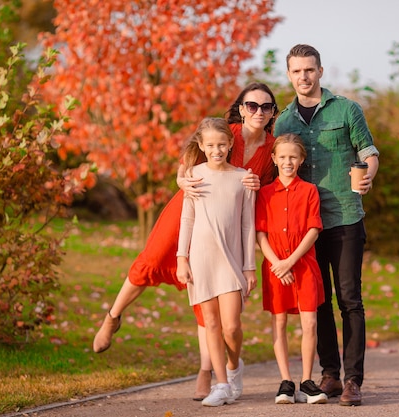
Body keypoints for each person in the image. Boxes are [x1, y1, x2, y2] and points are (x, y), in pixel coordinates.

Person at [92, 82, 278, 401]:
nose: (258, 112)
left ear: (273, 112)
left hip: (228, 220)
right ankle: (113, 317)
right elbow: (187, 165)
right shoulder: (224, 131)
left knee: (210, 301)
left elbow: (271, 188)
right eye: (251, 105)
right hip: (190, 204)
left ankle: (207, 371)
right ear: (241, 107)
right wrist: (181, 179)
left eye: (265, 107)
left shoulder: (272, 147)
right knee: (150, 261)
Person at [273, 44, 380, 407]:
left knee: (350, 300)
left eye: (309, 70)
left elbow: (368, 152)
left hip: (345, 215)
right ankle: (329, 375)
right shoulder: (284, 122)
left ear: (320, 71)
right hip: (304, 228)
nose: (303, 77)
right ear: (289, 75)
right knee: (316, 302)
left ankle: (353, 381)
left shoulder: (347, 109)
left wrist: (367, 178)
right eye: (297, 71)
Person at [175, 117, 256, 407]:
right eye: (210, 145)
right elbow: (187, 219)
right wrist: (181, 258)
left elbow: (248, 225)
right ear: (201, 145)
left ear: (231, 144)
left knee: (231, 327)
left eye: (222, 144)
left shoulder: (242, 178)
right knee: (210, 323)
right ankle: (221, 384)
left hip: (231, 259)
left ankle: (234, 368)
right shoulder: (193, 175)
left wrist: (249, 266)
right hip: (200, 259)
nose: (216, 150)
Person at [255, 133, 327, 405]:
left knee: (309, 322)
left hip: (303, 266)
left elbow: (313, 230)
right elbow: (260, 233)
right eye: (282, 157)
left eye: (293, 157)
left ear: (301, 160)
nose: (288, 162)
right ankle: (286, 382)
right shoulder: (264, 193)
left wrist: (290, 262)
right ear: (274, 159)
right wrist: (277, 263)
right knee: (279, 321)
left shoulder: (309, 191)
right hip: (275, 269)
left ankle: (307, 382)